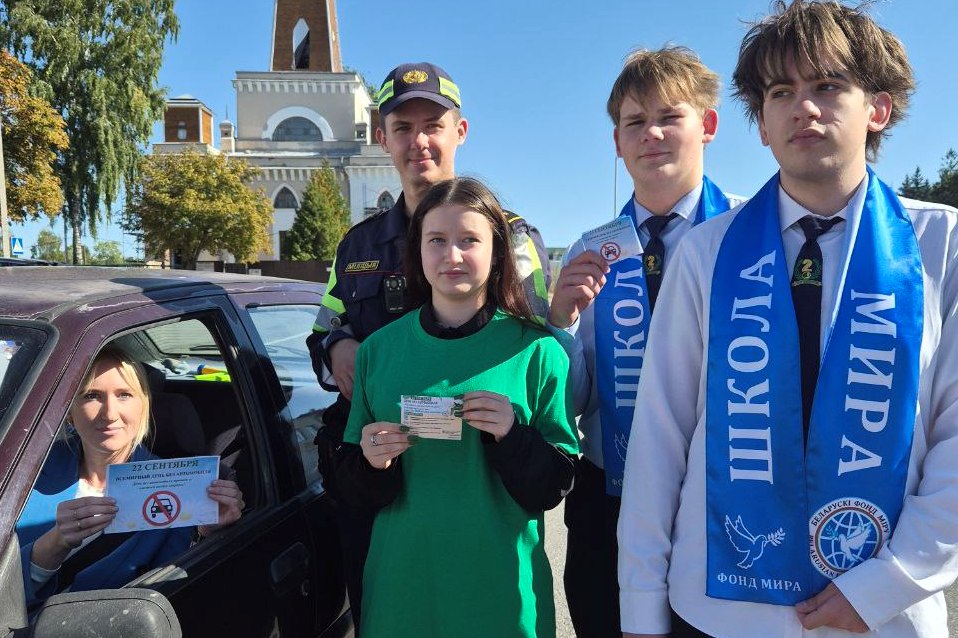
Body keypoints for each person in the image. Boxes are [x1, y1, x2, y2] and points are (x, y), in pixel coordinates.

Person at [618, 2, 958, 636]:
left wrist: (886, 584)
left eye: (827, 85)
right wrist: (640, 606)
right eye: (780, 92)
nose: (803, 107)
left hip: (882, 614)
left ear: (877, 109)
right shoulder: (707, 252)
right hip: (721, 610)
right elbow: (660, 437)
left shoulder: (941, 243)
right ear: (761, 124)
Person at [305, 61, 551, 630]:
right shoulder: (358, 244)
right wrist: (339, 347)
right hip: (379, 476)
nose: (419, 141)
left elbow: (533, 341)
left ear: (459, 132)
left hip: (477, 480)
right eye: (403, 127)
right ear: (382, 138)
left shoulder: (510, 234)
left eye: (432, 126)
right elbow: (324, 327)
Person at [547, 46, 742, 637]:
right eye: (635, 121)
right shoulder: (591, 249)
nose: (651, 134)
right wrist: (560, 324)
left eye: (669, 116)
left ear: (708, 125)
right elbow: (576, 401)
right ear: (617, 141)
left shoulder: (750, 234)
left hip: (724, 499)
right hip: (610, 496)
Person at [335, 177, 578, 637]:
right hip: (402, 592)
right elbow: (352, 489)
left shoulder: (537, 351)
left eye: (469, 240)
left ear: (497, 251)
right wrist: (369, 463)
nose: (452, 255)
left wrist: (513, 437)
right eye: (437, 240)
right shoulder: (378, 351)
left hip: (501, 596)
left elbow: (555, 486)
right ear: (417, 251)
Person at [16, 348, 244, 609]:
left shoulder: (178, 486)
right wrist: (53, 544)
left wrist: (209, 533)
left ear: (144, 405)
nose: (110, 414)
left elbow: (175, 596)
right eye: (92, 395)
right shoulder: (26, 469)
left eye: (124, 395)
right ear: (69, 410)